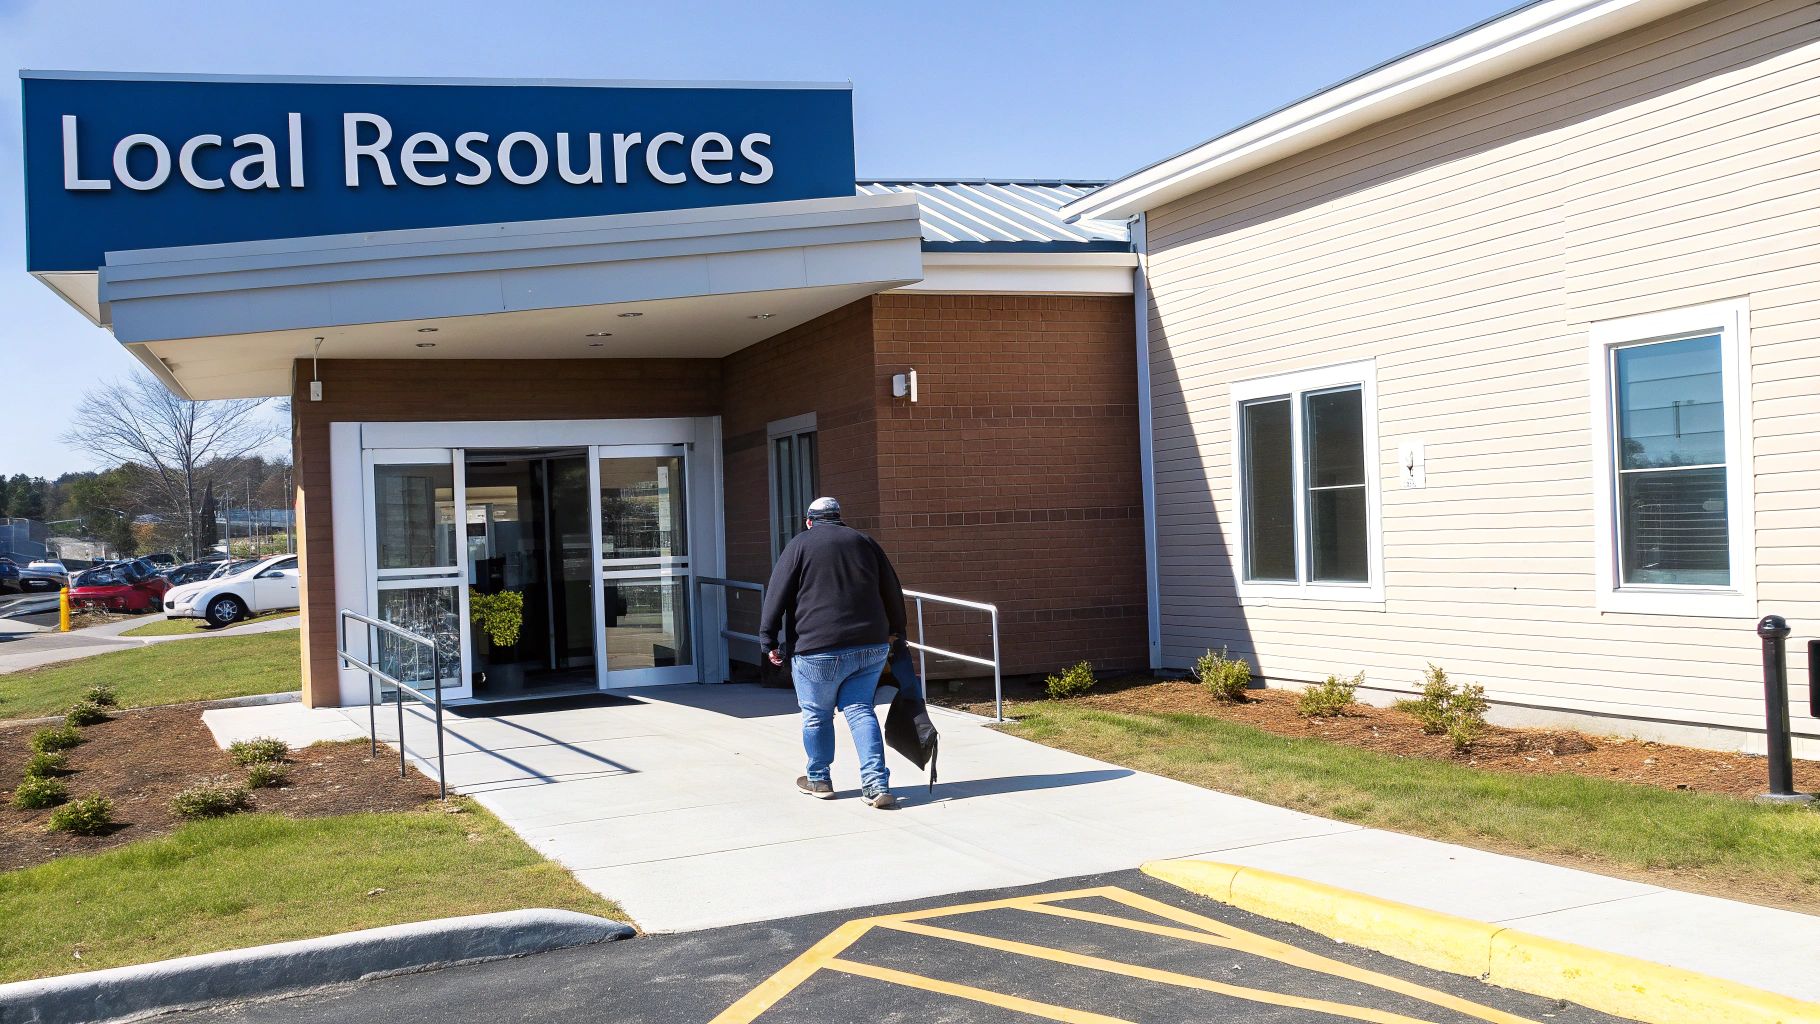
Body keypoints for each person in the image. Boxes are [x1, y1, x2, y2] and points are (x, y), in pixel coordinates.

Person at [759, 496, 906, 809]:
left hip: (817, 648)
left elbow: (777, 593)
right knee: (860, 710)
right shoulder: (865, 542)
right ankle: (876, 784)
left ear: (809, 521)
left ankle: (819, 778)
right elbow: (891, 589)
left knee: (816, 715)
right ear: (839, 518)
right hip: (869, 647)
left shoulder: (800, 545)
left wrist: (767, 639)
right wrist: (897, 631)